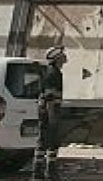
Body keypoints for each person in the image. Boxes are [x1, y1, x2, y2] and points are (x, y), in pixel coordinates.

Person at [33, 46, 67, 181]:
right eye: (62, 56)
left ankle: (40, 172)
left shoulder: (51, 71)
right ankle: (48, 172)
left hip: (47, 110)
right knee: (51, 140)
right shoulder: (53, 73)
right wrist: (53, 116)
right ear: (57, 58)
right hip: (50, 110)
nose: (65, 58)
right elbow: (50, 96)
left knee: (44, 140)